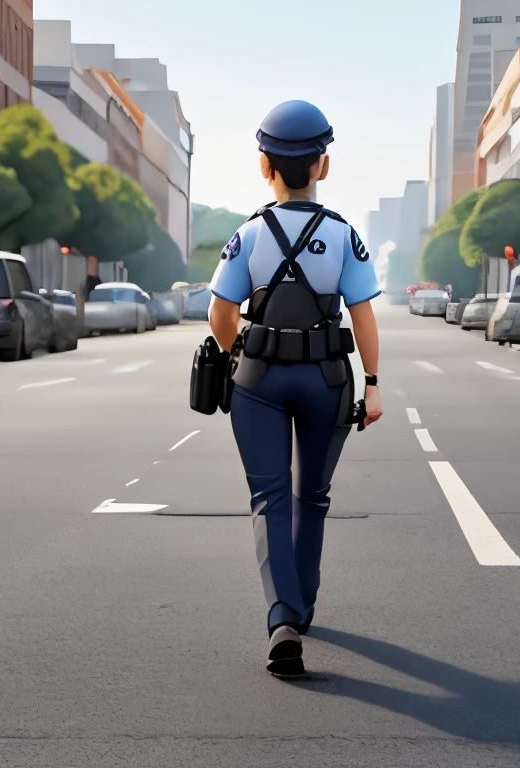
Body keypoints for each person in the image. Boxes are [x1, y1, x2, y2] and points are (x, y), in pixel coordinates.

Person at [208, 99, 383, 679]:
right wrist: (375, 386)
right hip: (327, 380)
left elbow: (219, 312)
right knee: (314, 497)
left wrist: (242, 356)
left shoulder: (248, 234)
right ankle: (303, 606)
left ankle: (282, 616)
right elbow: (362, 318)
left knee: (270, 498)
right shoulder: (344, 236)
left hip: (258, 381)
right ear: (323, 166)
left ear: (266, 166)